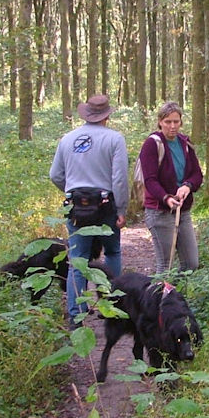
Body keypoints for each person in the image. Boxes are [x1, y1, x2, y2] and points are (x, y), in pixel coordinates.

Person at [50, 94, 128, 328]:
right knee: (112, 253)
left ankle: (76, 315)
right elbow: (120, 179)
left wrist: (73, 192)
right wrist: (122, 208)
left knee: (77, 261)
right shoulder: (115, 139)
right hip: (106, 206)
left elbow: (55, 175)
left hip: (76, 208)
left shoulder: (67, 139)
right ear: (106, 116)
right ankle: (110, 307)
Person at [139, 101, 203, 273]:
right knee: (165, 265)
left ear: (181, 122)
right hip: (159, 212)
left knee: (191, 263)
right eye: (168, 122)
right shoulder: (152, 144)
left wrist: (187, 186)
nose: (172, 126)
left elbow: (197, 174)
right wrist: (166, 198)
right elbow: (150, 180)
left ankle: (176, 297)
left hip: (183, 210)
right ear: (160, 122)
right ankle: (158, 298)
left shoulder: (185, 143)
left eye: (176, 121)